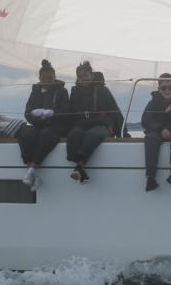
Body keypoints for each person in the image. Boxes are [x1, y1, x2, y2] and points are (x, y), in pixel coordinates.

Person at [65, 62, 124, 183]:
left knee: (93, 134)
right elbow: (71, 113)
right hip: (82, 124)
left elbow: (115, 112)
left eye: (86, 75)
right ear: (78, 78)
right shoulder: (75, 92)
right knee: (74, 134)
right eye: (80, 76)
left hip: (102, 124)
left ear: (91, 75)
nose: (83, 78)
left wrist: (123, 133)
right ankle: (80, 169)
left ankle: (79, 167)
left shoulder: (103, 90)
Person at [17, 60, 71, 191]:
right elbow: (27, 112)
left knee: (46, 135)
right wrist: (36, 116)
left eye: (50, 78)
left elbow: (65, 112)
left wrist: (52, 114)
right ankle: (32, 172)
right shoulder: (35, 91)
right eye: (44, 78)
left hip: (56, 125)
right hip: (38, 124)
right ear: (40, 79)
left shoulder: (62, 91)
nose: (47, 81)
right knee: (25, 135)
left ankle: (32, 169)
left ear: (54, 78)